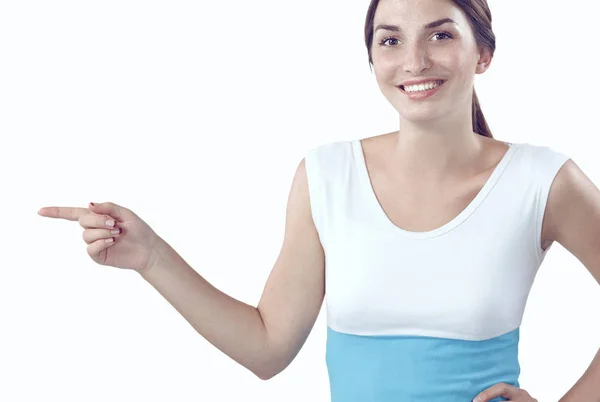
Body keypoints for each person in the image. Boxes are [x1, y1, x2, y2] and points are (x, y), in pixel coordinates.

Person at [37, 0, 600, 401]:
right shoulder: (328, 176)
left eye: (441, 34)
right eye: (391, 39)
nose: (414, 60)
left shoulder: (541, 180)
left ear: (484, 54)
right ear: (373, 59)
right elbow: (267, 350)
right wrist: (151, 258)